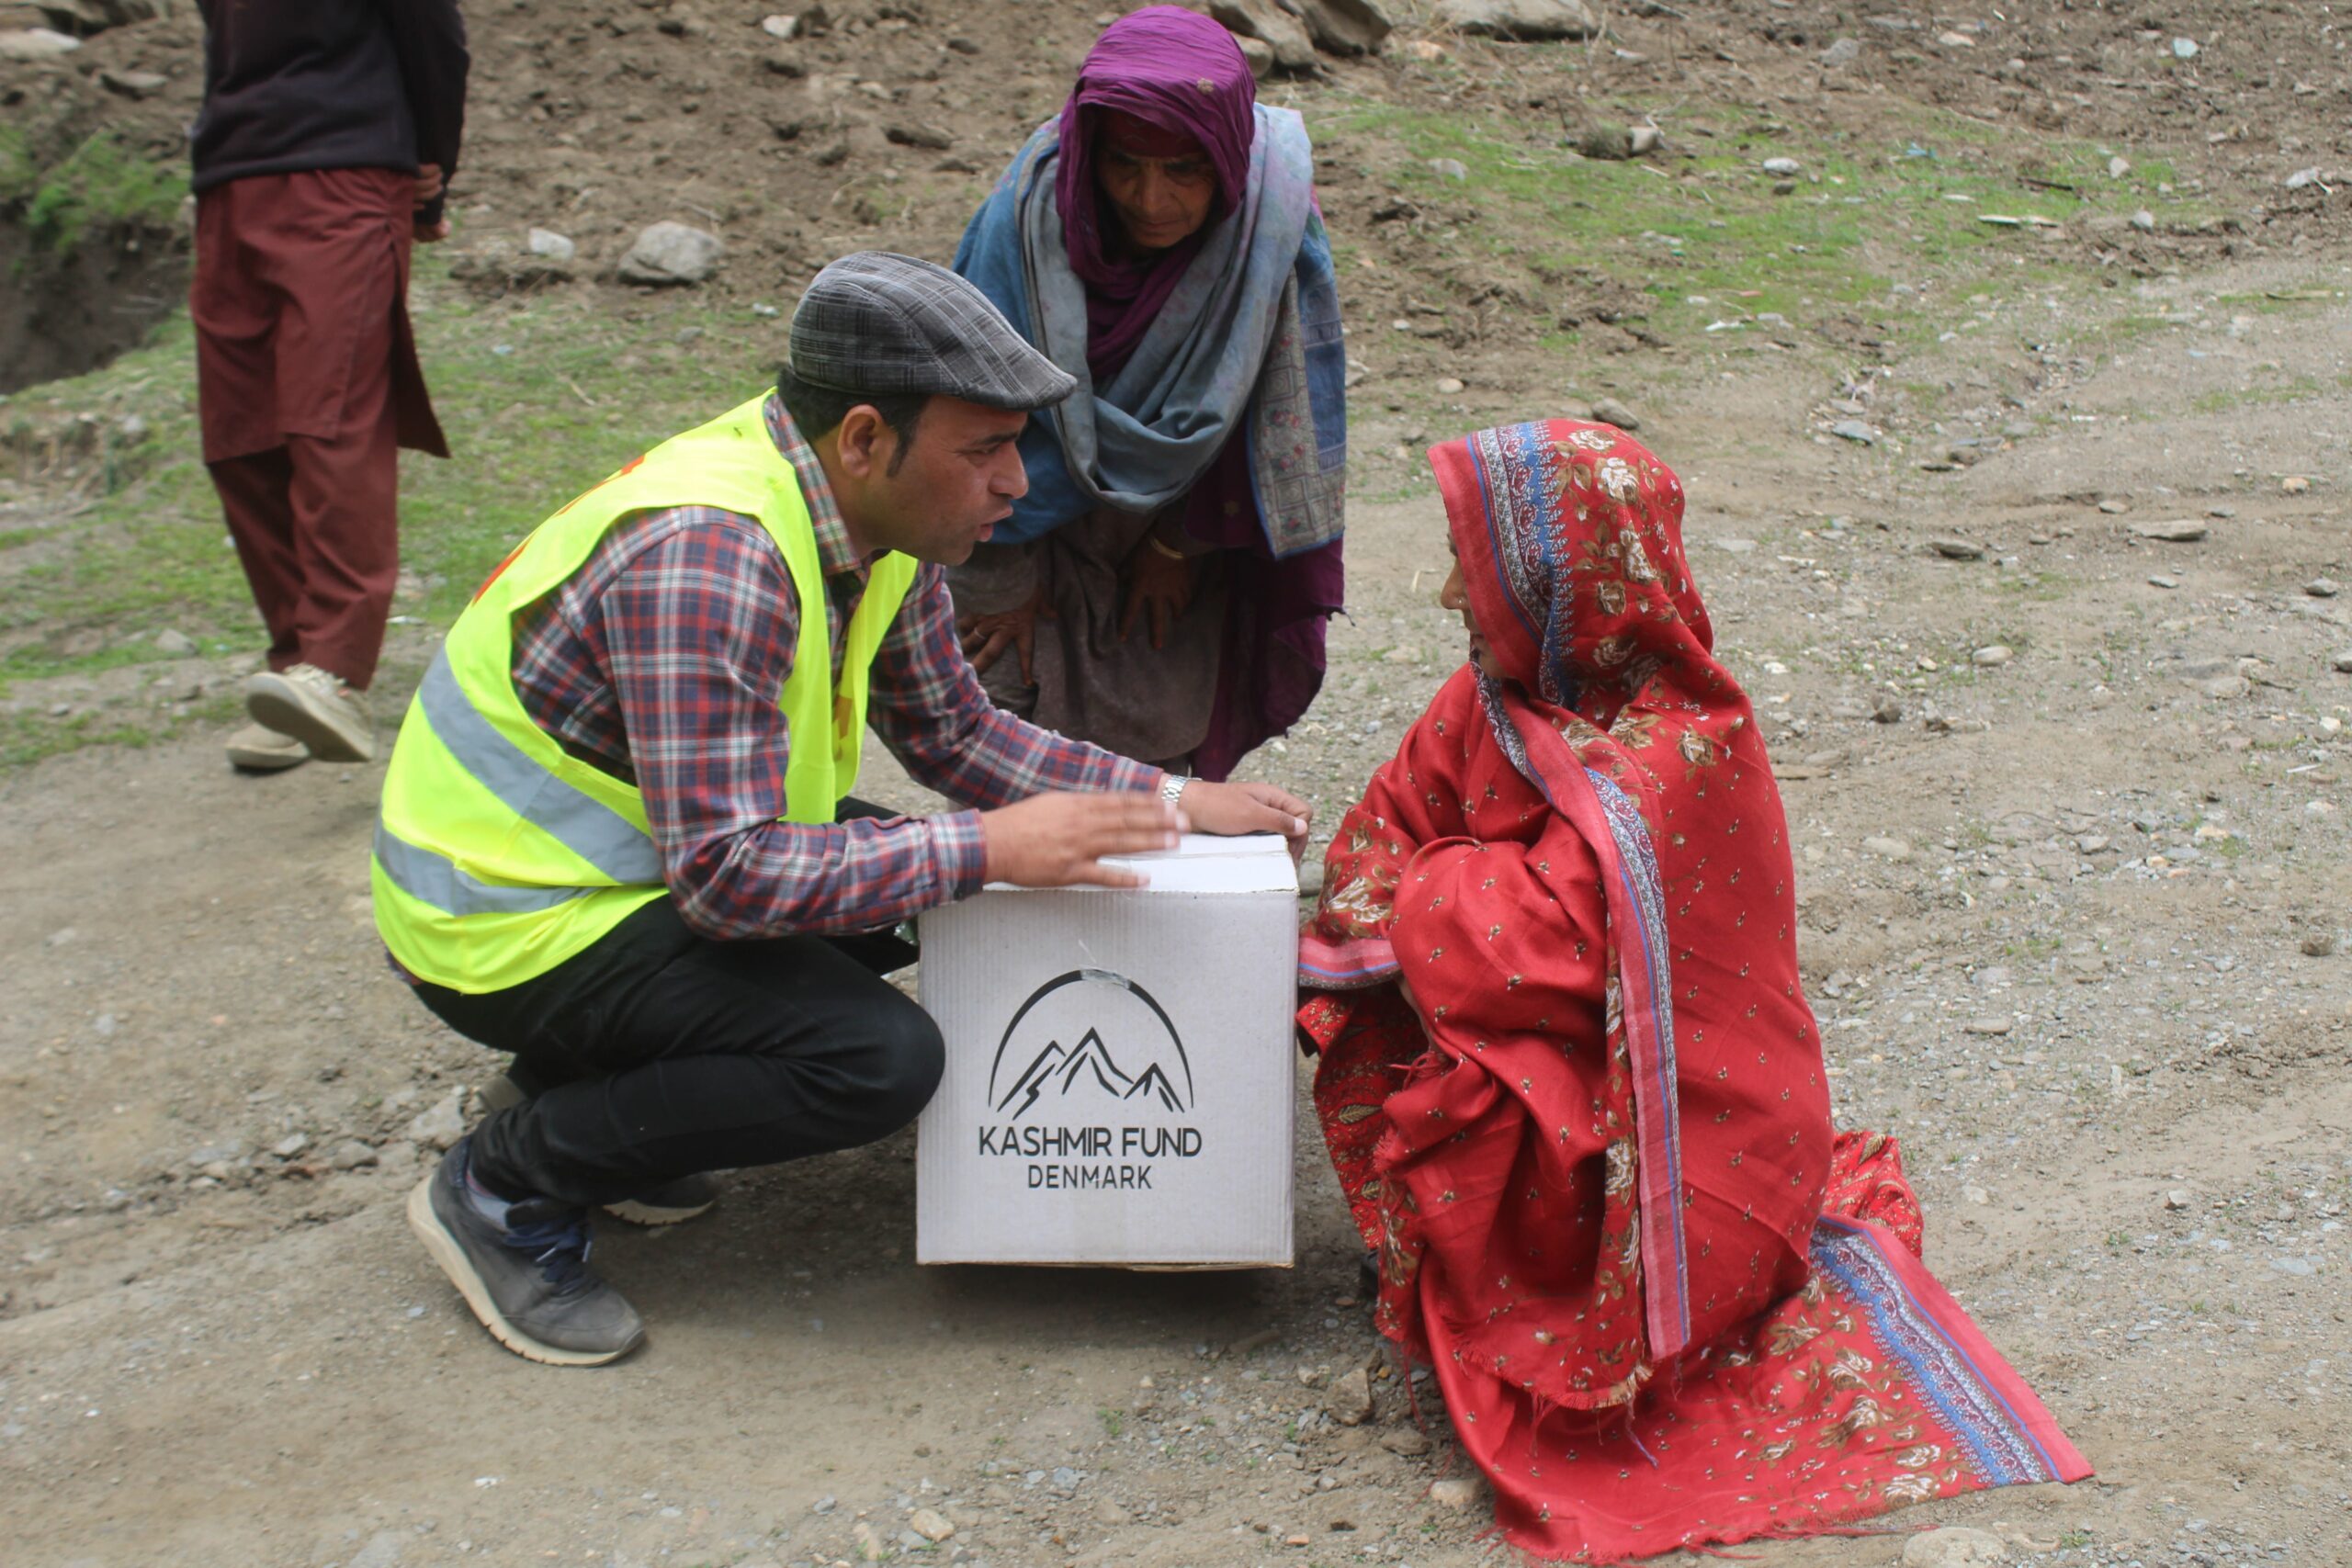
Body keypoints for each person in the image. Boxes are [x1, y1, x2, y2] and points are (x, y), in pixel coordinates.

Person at [374, 253, 1314, 1367]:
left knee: (916, 890)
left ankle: (587, 1086)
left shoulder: (869, 522)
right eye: (984, 450)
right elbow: (728, 881)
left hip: (630, 868)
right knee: (875, 1059)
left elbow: (957, 734)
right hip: (501, 923)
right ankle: (507, 1181)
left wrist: (1172, 798)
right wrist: (984, 848)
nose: (1016, 484)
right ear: (865, 438)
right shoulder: (713, 557)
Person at [1295, 421, 2090, 1559]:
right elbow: (1369, 845)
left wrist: (1434, 891)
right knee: (1435, 1035)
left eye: (1471, 569)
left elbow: (1533, 949)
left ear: (1562, 586)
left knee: (1480, 1067)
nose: (1445, 596)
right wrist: (1455, 897)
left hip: (1687, 1142)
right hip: (1556, 1073)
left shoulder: (1683, 750)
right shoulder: (1483, 703)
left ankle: (1558, 1285)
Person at [948, 6, 1345, 778]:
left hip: (1185, 520)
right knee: (1000, 725)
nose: (1149, 198)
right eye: (1124, 163)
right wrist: (1001, 578)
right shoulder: (1025, 220)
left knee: (1159, 720)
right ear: (1088, 147)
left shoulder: (1267, 228)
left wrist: (1176, 545)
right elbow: (970, 409)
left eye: (1184, 170)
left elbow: (1274, 407)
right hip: (1020, 520)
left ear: (1226, 155)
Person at [189, 0, 469, 773]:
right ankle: (294, 674)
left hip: (345, 171)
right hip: (229, 178)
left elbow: (435, 33)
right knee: (238, 436)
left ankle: (334, 670)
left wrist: (429, 164)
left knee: (330, 418)